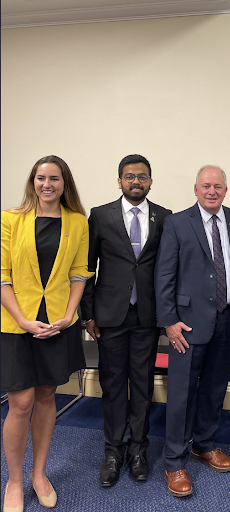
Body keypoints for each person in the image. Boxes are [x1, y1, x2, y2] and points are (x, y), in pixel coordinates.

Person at [1, 155, 93, 512]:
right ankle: (13, 481)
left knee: (45, 397)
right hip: (16, 324)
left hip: (57, 322)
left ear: (64, 183)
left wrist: (70, 315)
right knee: (20, 403)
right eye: (41, 178)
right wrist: (23, 320)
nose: (47, 184)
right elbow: (3, 276)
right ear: (33, 182)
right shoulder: (11, 219)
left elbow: (80, 273)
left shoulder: (77, 222)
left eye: (54, 178)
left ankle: (39, 474)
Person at [155, 165, 230, 497]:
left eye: (218, 186)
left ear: (226, 190)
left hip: (227, 319)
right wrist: (168, 320)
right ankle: (174, 462)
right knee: (182, 394)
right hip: (187, 322)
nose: (212, 191)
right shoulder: (177, 223)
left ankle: (205, 444)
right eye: (206, 186)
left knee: (214, 388)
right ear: (195, 189)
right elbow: (164, 275)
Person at [80, 154, 171, 487]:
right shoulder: (100, 216)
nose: (136, 182)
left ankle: (138, 451)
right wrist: (86, 313)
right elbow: (88, 269)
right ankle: (113, 452)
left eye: (142, 176)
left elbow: (167, 271)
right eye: (130, 176)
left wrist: (167, 313)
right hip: (109, 316)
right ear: (119, 181)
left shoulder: (165, 218)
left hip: (148, 316)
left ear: (150, 181)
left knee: (143, 387)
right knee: (114, 386)